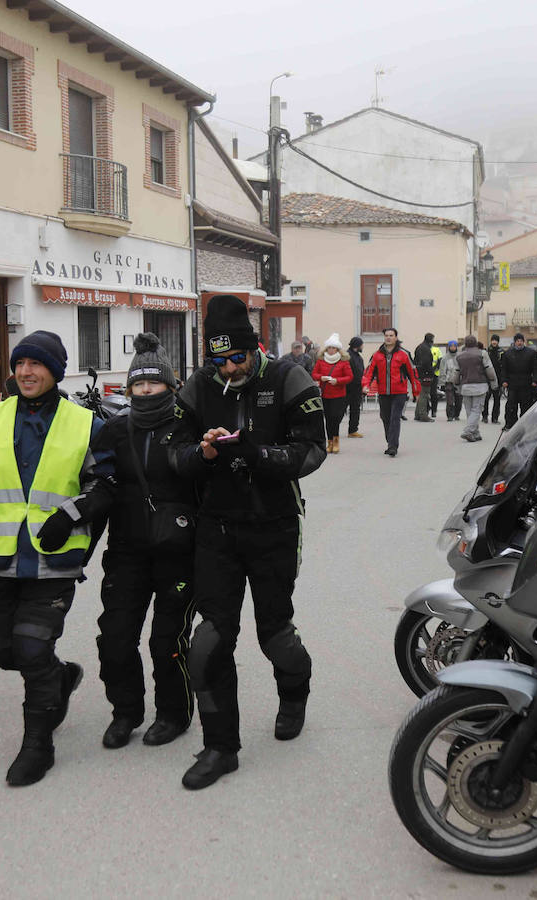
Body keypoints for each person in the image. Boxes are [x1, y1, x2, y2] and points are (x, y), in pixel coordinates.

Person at [0, 330, 114, 787]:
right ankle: (59, 680)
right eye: (20, 364)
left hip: (55, 558)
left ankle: (38, 745)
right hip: (2, 557)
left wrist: (70, 514)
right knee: (2, 651)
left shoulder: (85, 424)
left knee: (33, 647)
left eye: (36, 365)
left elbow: (107, 484)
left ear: (55, 371)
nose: (25, 372)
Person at [168, 294, 325, 790]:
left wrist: (261, 455)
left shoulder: (287, 378)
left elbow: (313, 450)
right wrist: (204, 451)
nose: (230, 368)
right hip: (216, 528)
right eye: (220, 360)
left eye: (238, 358)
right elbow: (173, 454)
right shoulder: (196, 387)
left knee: (274, 633)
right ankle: (220, 747)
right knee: (208, 641)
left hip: (274, 525)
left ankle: (294, 690)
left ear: (254, 349)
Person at [90, 334, 197, 750]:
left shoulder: (188, 426)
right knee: (115, 637)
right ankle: (125, 712)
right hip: (127, 552)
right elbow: (100, 487)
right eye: (139, 384)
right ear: (129, 387)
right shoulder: (114, 431)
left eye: (154, 383)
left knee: (165, 641)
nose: (146, 390)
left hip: (178, 553)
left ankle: (173, 713)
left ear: (171, 386)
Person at [362, 327, 420, 457]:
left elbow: (413, 373)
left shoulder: (404, 354)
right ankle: (391, 440)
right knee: (385, 417)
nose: (388, 337)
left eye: (391, 335)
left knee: (395, 418)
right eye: (386, 335)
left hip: (399, 392)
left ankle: (393, 446)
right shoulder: (377, 355)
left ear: (396, 337)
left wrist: (416, 392)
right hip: (383, 392)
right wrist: (366, 385)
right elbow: (369, 372)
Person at [311, 333, 354, 454]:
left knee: (336, 418)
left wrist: (338, 381)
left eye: (333, 348)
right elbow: (314, 374)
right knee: (328, 420)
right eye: (329, 348)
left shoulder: (343, 362)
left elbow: (350, 377)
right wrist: (321, 377)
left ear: (338, 349)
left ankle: (335, 441)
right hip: (325, 394)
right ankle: (329, 442)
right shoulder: (321, 361)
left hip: (339, 395)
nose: (331, 350)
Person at [455, 336, 498, 442]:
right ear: (475, 343)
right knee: (476, 410)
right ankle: (468, 431)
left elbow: (456, 372)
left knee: (470, 411)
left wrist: (456, 385)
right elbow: (490, 370)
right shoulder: (482, 353)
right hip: (480, 385)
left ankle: (476, 433)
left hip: (465, 386)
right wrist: (494, 383)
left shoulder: (459, 356)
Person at [498, 332, 537, 428]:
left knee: (526, 406)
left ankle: (525, 425)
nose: (519, 343)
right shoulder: (507, 354)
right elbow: (504, 369)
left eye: (521, 341)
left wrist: (535, 380)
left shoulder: (531, 353)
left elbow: (536, 368)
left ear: (523, 342)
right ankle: (510, 424)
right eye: (517, 341)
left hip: (526, 383)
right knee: (511, 406)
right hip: (512, 384)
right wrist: (504, 381)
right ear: (514, 342)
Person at [410, 333, 437, 423]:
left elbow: (416, 360)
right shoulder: (426, 349)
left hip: (418, 373)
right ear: (431, 340)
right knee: (424, 395)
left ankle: (418, 414)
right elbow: (426, 363)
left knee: (421, 393)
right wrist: (431, 371)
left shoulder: (419, 347)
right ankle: (423, 415)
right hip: (425, 374)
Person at [345, 336, 366, 439]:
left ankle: (353, 430)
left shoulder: (358, 356)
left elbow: (361, 371)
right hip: (347, 387)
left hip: (357, 388)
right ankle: (332, 429)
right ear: (357, 345)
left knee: (355, 409)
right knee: (340, 410)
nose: (363, 346)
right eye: (361, 344)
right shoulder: (347, 356)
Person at [482, 336, 503, 424]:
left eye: (496, 340)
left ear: (498, 342)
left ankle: (495, 418)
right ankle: (485, 416)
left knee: (497, 399)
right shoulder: (486, 351)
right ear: (491, 341)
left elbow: (503, 366)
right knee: (485, 399)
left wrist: (502, 380)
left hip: (497, 379)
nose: (494, 342)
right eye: (493, 340)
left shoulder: (501, 352)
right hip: (487, 379)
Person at [438, 340, 461, 421]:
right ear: (449, 347)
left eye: (454, 346)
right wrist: (442, 382)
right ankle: (450, 415)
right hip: (449, 381)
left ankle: (457, 414)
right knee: (450, 400)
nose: (453, 347)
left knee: (458, 400)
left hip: (458, 381)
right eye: (451, 346)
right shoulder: (445, 358)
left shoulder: (460, 356)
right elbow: (442, 370)